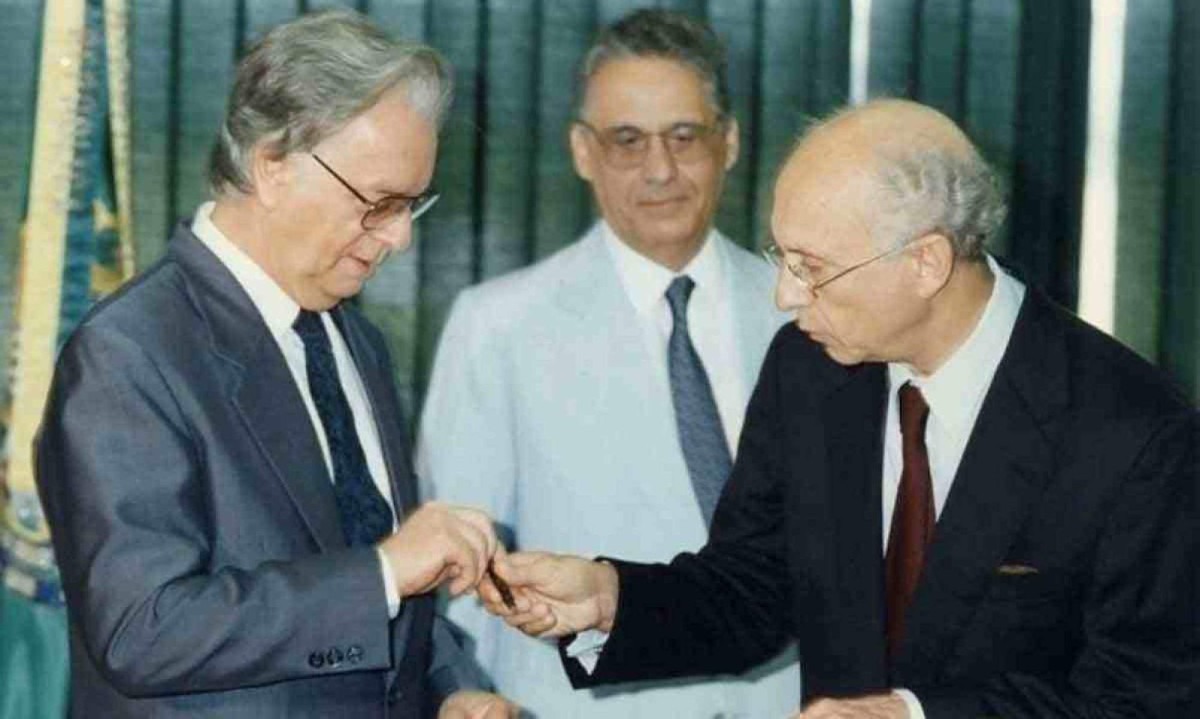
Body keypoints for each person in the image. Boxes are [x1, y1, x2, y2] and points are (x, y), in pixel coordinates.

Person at [480, 99, 1200, 718]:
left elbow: (1144, 699)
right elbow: (753, 589)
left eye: (811, 268)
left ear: (925, 262)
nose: (785, 297)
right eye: (782, 258)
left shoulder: (1135, 432)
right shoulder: (811, 368)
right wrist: (608, 600)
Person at [34, 11, 516, 718]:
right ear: (272, 164)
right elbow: (143, 630)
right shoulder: (129, 353)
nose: (401, 239)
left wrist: (450, 687)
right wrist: (385, 569)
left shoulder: (354, 342)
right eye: (379, 203)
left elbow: (367, 575)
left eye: (412, 206)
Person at [417, 8, 798, 718]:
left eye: (685, 136)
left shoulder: (805, 315)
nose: (660, 169)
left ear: (731, 143)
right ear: (582, 151)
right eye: (627, 140)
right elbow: (463, 575)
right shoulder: (497, 325)